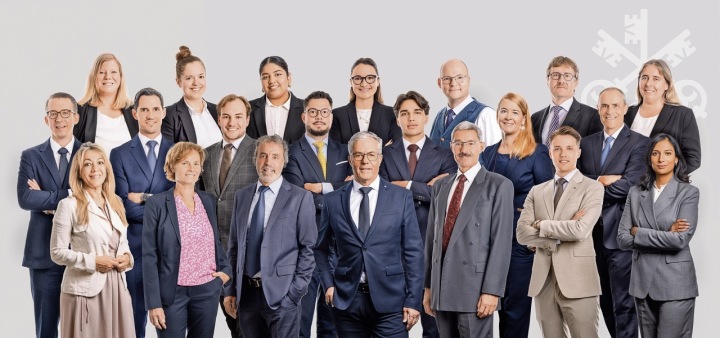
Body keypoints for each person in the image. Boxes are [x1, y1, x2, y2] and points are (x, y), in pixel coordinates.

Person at [316, 131, 424, 338]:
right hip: (347, 302)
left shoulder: (400, 197)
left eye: (371, 155)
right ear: (350, 159)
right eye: (358, 155)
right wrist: (328, 284)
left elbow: (414, 253)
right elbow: (321, 249)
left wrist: (413, 300)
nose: (365, 161)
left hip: (391, 302)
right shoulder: (333, 201)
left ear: (380, 158)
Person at [424, 121, 513, 337]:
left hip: (475, 288)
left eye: (470, 143)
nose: (464, 149)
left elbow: (501, 243)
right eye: (458, 143)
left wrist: (492, 291)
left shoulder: (498, 185)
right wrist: (428, 287)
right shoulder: (441, 185)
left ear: (481, 145)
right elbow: (431, 240)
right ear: (451, 147)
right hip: (441, 286)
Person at [379, 90, 456, 338]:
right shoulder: (383, 155)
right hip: (393, 248)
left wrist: (406, 185)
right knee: (393, 324)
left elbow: (445, 196)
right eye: (404, 113)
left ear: (426, 117)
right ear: (397, 119)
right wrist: (427, 187)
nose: (411, 118)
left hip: (432, 247)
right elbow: (381, 194)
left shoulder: (445, 154)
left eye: (417, 112)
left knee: (434, 325)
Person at [223, 135, 317, 337]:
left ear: (284, 161)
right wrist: (230, 290)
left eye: (275, 157)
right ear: (255, 159)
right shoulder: (242, 196)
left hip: (282, 296)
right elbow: (233, 247)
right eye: (263, 156)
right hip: (246, 295)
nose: (268, 162)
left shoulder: (300, 198)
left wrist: (293, 295)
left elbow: (308, 250)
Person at [516, 126, 604, 338]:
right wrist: (559, 235)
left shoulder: (593, 188)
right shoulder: (537, 191)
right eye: (557, 149)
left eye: (569, 148)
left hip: (579, 281)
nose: (563, 154)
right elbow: (521, 233)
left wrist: (541, 224)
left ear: (578, 152)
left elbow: (580, 230)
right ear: (550, 153)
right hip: (543, 281)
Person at [479, 93, 553, 338]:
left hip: (519, 242)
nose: (507, 116)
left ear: (523, 119)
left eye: (514, 112)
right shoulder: (487, 153)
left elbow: (549, 197)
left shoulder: (536, 152)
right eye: (503, 111)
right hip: (487, 240)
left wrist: (537, 237)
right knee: (486, 304)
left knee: (515, 309)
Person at [578, 87, 649, 338]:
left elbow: (630, 186)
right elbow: (576, 183)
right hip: (588, 237)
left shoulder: (640, 143)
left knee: (624, 303)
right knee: (604, 301)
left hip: (620, 235)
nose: (610, 111)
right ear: (598, 109)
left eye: (615, 106)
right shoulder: (585, 144)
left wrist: (593, 186)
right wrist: (602, 180)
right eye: (605, 106)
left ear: (625, 109)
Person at [142, 142, 231, 337]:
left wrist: (225, 271)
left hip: (207, 289)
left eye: (196, 163)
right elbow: (149, 256)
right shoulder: (156, 204)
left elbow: (215, 240)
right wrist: (153, 303)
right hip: (172, 293)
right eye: (184, 163)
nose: (191, 168)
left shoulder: (207, 200)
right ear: (172, 166)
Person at [282, 91, 350, 338]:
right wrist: (339, 189)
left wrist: (321, 187)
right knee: (301, 318)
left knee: (333, 323)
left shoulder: (346, 152)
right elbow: (298, 196)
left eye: (324, 112)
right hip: (306, 245)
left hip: (340, 247)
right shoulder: (290, 153)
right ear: (303, 117)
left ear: (331, 117)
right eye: (313, 112)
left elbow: (355, 189)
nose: (319, 117)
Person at [617, 134, 699, 338]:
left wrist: (638, 232)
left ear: (677, 159)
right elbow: (622, 238)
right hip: (642, 283)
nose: (661, 159)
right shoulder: (635, 193)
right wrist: (664, 234)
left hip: (675, 284)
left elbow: (680, 240)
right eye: (655, 153)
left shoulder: (688, 193)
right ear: (649, 158)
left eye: (667, 153)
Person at [50, 142, 135, 337]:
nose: (95, 169)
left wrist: (128, 259)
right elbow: (57, 253)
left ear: (107, 167)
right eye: (88, 164)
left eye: (100, 162)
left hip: (117, 287)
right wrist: (93, 261)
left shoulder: (116, 203)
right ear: (79, 171)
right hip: (85, 289)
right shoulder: (68, 205)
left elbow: (123, 245)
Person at [109, 87, 175, 338]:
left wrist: (143, 198)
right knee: (134, 319)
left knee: (169, 322)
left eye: (155, 109)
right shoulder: (119, 154)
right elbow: (122, 206)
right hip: (134, 247)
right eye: (144, 109)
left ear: (163, 112)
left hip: (170, 247)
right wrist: (161, 205)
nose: (150, 115)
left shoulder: (178, 151)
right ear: (135, 113)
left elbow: (180, 203)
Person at [17, 92, 82, 338]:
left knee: (80, 327)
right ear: (46, 120)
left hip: (80, 251)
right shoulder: (31, 156)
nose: (59, 119)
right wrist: (69, 196)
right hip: (43, 254)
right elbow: (26, 198)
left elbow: (91, 197)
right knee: (46, 328)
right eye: (53, 113)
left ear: (75, 117)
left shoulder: (89, 154)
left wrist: (48, 199)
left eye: (65, 112)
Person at [199, 93, 258, 338]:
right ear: (218, 119)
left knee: (247, 328)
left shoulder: (260, 151)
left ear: (246, 120)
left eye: (237, 116)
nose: (231, 122)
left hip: (247, 255)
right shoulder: (206, 154)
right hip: (212, 256)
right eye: (226, 116)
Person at [625, 59, 701, 173]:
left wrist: (661, 178)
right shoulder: (626, 113)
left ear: (667, 84)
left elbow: (693, 159)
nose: (648, 83)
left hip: (663, 188)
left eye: (656, 79)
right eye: (644, 77)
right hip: (626, 187)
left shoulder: (682, 114)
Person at [531, 56, 603, 147]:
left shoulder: (593, 116)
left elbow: (594, 155)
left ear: (576, 82)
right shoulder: (535, 118)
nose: (561, 81)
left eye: (567, 76)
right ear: (547, 80)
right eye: (556, 75)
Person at [429, 59, 502, 149]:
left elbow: (495, 160)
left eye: (459, 78)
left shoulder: (486, 115)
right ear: (439, 83)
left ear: (468, 80)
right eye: (447, 79)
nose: (453, 83)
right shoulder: (439, 117)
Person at [330, 57, 401, 146]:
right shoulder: (336, 116)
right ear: (351, 82)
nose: (364, 84)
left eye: (370, 78)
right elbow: (336, 152)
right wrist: (381, 150)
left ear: (378, 81)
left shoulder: (392, 114)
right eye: (358, 78)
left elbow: (396, 151)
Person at [75, 53, 138, 153]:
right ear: (94, 77)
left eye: (113, 72)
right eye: (101, 72)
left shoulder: (134, 111)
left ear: (121, 77)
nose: (108, 77)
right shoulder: (80, 111)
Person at [162, 46, 222, 148]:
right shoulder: (170, 115)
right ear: (178, 82)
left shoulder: (218, 110)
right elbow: (168, 157)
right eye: (189, 78)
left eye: (201, 76)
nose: (196, 83)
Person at [246, 56, 305, 144]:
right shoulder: (248, 108)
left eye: (277, 74)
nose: (272, 81)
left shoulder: (307, 108)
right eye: (265, 77)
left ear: (288, 77)